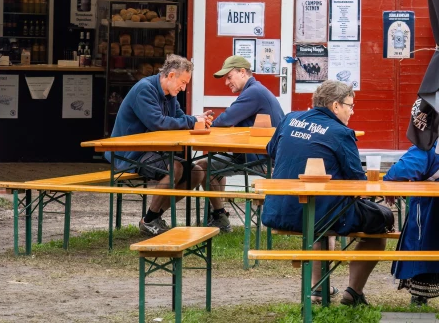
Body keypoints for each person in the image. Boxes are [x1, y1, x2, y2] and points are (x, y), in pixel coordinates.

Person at [262, 80, 393, 305]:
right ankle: (353, 292)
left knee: (323, 216)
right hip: (316, 214)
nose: (352, 111)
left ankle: (318, 289)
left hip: (279, 210)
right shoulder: (340, 132)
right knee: (382, 220)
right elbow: (358, 181)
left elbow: (271, 150)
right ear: (335, 106)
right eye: (350, 106)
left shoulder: (289, 119)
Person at [104, 54, 212, 237]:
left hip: (149, 151)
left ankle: (153, 217)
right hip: (128, 153)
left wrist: (197, 120)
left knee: (197, 172)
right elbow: (158, 123)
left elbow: (179, 118)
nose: (184, 88)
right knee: (176, 168)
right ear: (171, 76)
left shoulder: (170, 94)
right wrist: (193, 121)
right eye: (183, 82)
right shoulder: (145, 89)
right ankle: (149, 221)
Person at [197, 55, 285, 232]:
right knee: (212, 163)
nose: (226, 82)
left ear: (243, 72)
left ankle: (219, 216)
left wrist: (202, 123)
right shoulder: (256, 90)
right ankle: (219, 215)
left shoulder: (253, 92)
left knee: (202, 167)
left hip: (263, 160)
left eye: (229, 77)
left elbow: (225, 120)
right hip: (262, 155)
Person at [384, 140, 439, 305]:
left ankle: (420, 294)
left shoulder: (428, 146)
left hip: (431, 213)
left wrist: (390, 182)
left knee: (422, 240)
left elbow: (400, 171)